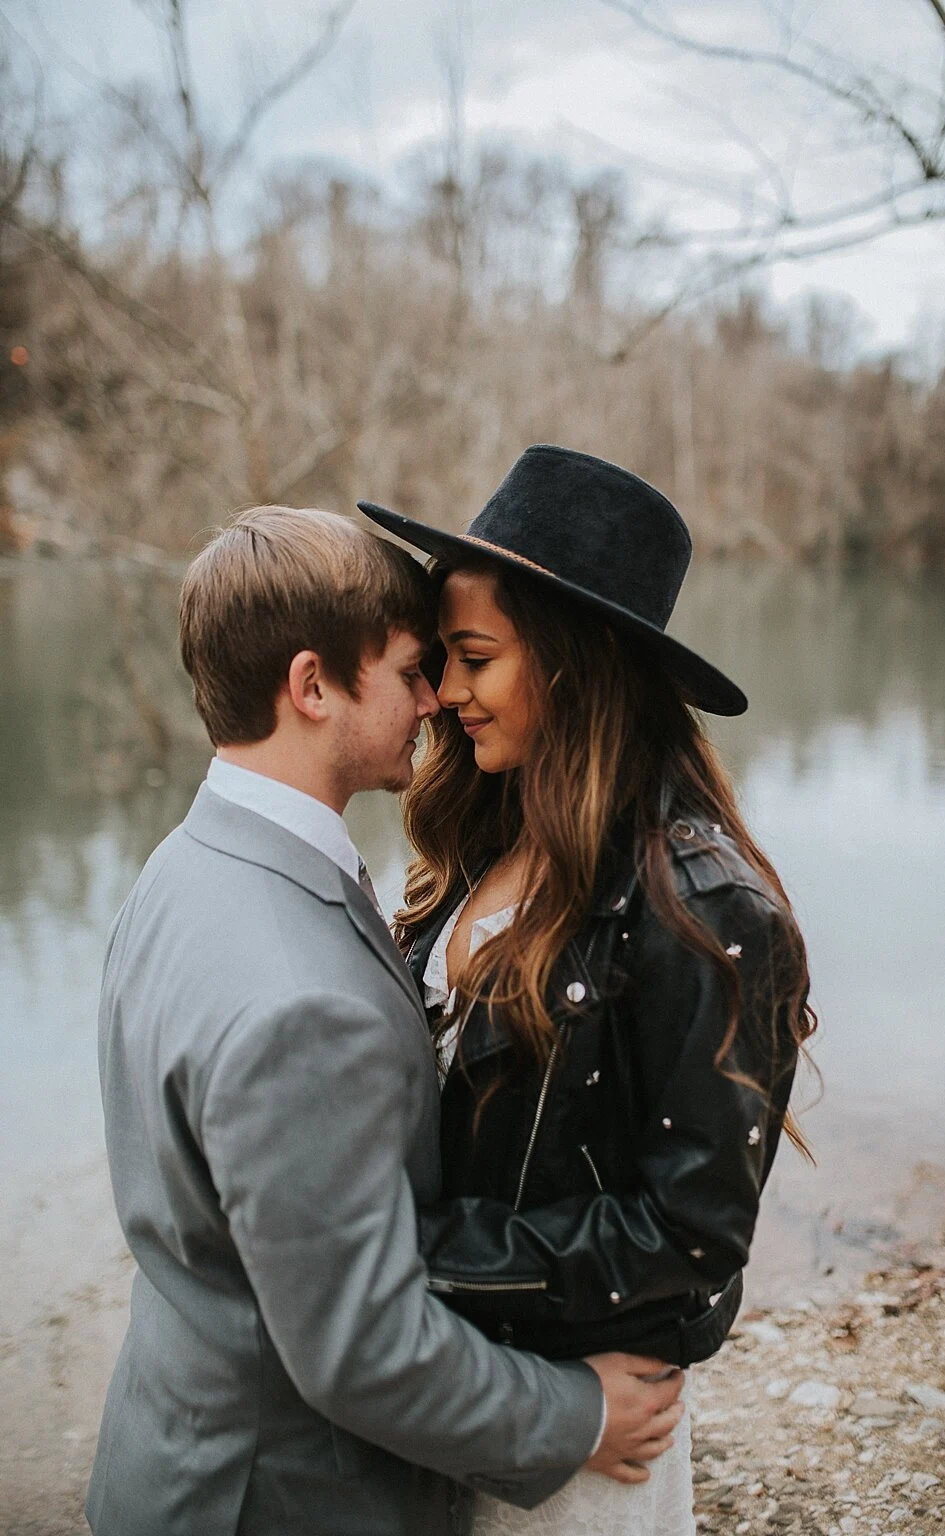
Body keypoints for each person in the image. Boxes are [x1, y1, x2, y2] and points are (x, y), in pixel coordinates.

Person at [89, 506, 683, 1536]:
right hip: (277, 1501)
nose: (436, 699)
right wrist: (579, 1416)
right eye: (412, 670)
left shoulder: (181, 870)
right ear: (312, 686)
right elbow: (360, 1349)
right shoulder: (301, 1002)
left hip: (174, 1442)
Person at [359, 445, 815, 1536]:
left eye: (474, 658)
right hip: (456, 1392)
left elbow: (690, 1237)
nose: (445, 693)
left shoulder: (708, 912)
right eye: (442, 658)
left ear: (575, 662)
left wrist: (407, 1252)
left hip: (583, 1433)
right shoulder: (480, 837)